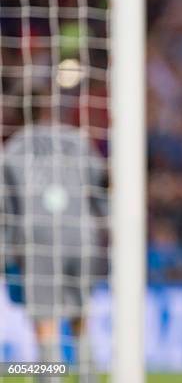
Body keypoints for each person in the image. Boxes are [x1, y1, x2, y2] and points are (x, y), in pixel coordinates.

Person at [1, 97, 107, 382]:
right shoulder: (78, 141)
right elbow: (101, 186)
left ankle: (50, 376)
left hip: (37, 237)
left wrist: (6, 253)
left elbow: (6, 208)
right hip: (82, 234)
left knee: (45, 318)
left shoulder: (13, 149)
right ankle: (87, 375)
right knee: (81, 313)